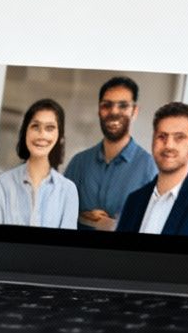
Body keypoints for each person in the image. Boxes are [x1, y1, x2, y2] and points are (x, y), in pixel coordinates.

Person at [116, 101, 188, 238]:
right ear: (153, 140)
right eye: (162, 136)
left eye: (179, 137)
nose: (168, 145)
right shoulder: (134, 200)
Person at [63, 75, 157, 231]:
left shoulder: (150, 169)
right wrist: (84, 217)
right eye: (107, 105)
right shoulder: (78, 163)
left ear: (134, 111)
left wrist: (115, 225)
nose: (114, 112)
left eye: (123, 106)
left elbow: (153, 225)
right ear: (99, 110)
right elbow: (59, 213)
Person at [0, 98, 78, 229]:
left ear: (60, 137)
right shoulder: (2, 184)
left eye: (50, 128)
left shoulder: (68, 190)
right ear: (25, 132)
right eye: (35, 126)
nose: (42, 135)